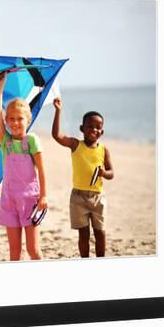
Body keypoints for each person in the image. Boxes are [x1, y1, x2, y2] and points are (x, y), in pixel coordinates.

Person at [0, 72, 48, 261]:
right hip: (9, 200)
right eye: (11, 119)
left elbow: (41, 169)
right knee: (14, 252)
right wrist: (0, 85)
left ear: (28, 120)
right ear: (6, 121)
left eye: (20, 119)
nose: (15, 123)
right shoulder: (5, 142)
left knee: (33, 250)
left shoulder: (31, 140)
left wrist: (44, 195)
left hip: (30, 201)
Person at [51, 97, 114, 258]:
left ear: (103, 131)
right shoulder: (75, 145)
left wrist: (103, 173)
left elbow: (111, 173)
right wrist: (58, 111)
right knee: (83, 234)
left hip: (98, 197)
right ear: (82, 128)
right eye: (90, 126)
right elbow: (57, 135)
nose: (94, 130)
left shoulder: (104, 150)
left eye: (98, 127)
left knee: (100, 233)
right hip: (78, 197)